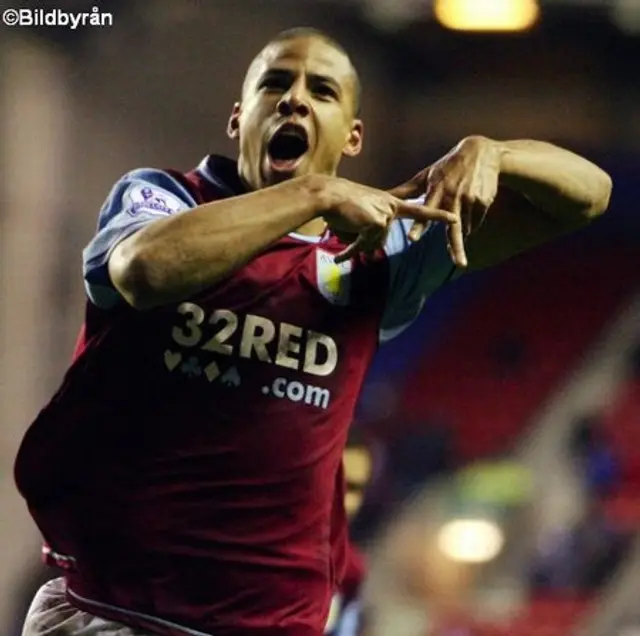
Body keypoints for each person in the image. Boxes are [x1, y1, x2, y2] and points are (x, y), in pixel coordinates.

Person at [14, 25, 611, 636]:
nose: (294, 98)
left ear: (352, 137)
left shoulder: (380, 251)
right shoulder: (163, 198)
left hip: (274, 624)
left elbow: (589, 197)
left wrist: (495, 151)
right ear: (239, 118)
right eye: (276, 83)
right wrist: (313, 192)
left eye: (321, 90)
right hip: (115, 612)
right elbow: (144, 271)